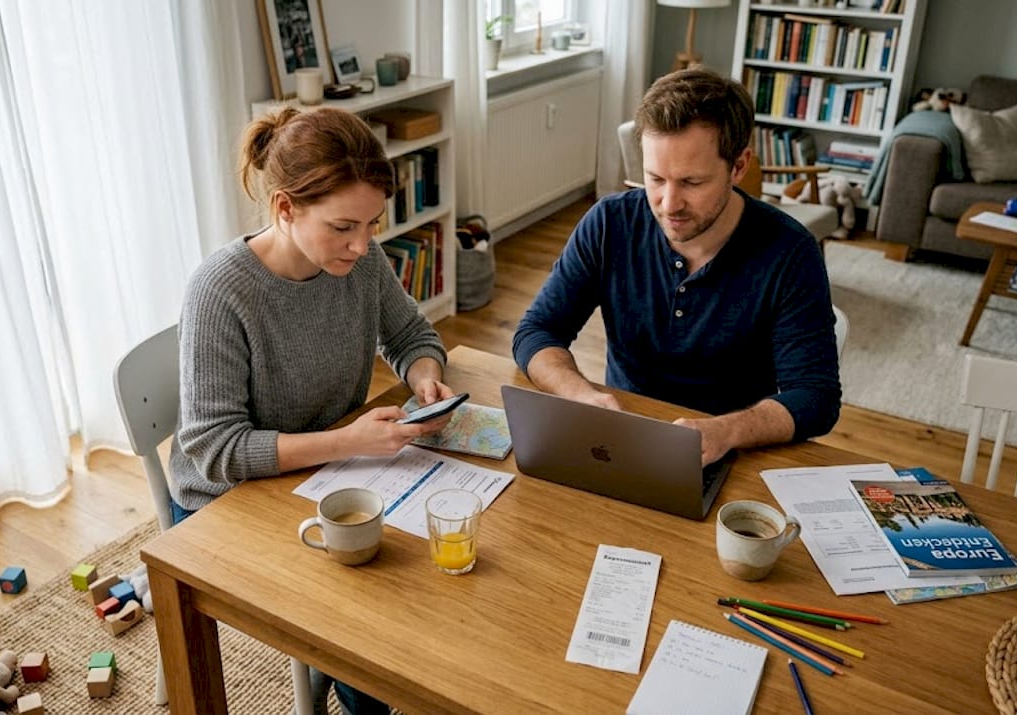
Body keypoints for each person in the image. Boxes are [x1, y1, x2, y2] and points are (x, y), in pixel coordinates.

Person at [169, 106, 452, 715]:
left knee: (430, 565)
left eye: (372, 224)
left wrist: (427, 382)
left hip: (329, 467)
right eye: (344, 226)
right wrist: (346, 442)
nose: (362, 243)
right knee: (368, 619)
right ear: (284, 208)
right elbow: (214, 451)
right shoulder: (221, 291)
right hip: (227, 500)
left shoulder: (361, 259)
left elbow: (410, 337)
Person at [512, 68, 841, 467]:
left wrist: (726, 430)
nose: (669, 204)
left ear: (738, 166)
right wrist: (581, 396)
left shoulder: (791, 253)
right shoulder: (609, 223)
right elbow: (537, 331)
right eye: (655, 179)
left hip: (733, 453)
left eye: (692, 182)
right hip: (622, 444)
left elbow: (815, 397)